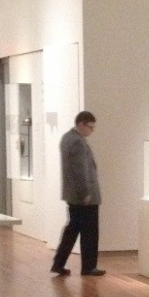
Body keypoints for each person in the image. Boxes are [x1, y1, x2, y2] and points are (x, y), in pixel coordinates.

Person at [51, 110, 104, 277]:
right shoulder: (77, 142)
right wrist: (85, 192)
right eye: (90, 127)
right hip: (83, 197)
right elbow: (80, 170)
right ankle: (88, 266)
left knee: (72, 230)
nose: (92, 131)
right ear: (81, 124)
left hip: (74, 195)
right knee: (89, 232)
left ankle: (59, 263)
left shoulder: (67, 138)